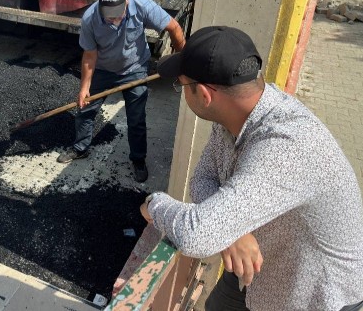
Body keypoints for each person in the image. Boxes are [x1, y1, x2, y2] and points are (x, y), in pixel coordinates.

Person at [140, 26, 363, 310]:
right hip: (257, 265)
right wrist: (234, 229)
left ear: (205, 95)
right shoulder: (233, 118)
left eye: (181, 85)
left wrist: (153, 202)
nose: (182, 93)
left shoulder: (286, 146)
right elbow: (202, 178)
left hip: (310, 297)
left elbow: (196, 235)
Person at [56, 0, 186, 183]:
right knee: (85, 109)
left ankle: (138, 160)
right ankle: (80, 148)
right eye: (109, 16)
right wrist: (84, 88)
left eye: (118, 15)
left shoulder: (143, 6)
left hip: (135, 68)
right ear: (101, 6)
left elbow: (174, 28)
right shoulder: (90, 18)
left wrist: (182, 60)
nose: (114, 20)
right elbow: (89, 56)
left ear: (126, 2)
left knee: (136, 118)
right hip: (103, 69)